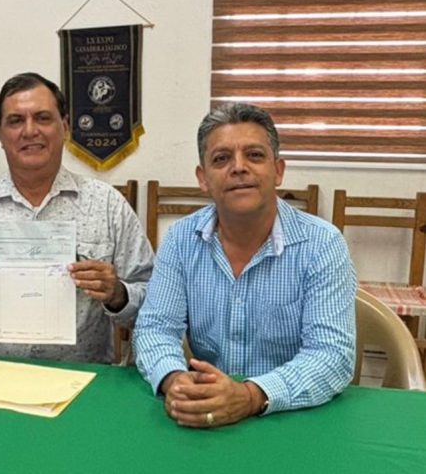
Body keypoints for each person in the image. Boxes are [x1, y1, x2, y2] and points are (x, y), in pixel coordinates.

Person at [133, 103, 356, 428]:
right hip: (205, 416)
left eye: (254, 155)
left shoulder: (322, 244)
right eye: (221, 159)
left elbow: (332, 355)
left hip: (291, 418)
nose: (238, 167)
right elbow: (155, 328)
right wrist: (174, 379)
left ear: (278, 170)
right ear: (203, 178)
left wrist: (250, 396)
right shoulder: (181, 239)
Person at [0, 72, 154, 363]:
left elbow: (156, 309)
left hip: (84, 378)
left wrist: (118, 294)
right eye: (16, 121)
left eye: (42, 118)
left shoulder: (107, 206)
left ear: (65, 127)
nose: (30, 131)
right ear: (0, 134)